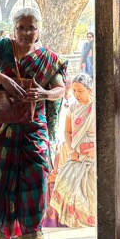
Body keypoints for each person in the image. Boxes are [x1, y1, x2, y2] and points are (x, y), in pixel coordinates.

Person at [0, 6, 66, 239]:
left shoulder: (49, 59)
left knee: (35, 181)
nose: (25, 33)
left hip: (34, 130)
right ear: (14, 29)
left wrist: (44, 93)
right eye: (21, 28)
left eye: (31, 27)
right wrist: (1, 78)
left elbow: (60, 90)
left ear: (38, 29)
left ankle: (34, 237)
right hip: (2, 126)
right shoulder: (4, 48)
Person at [43, 72, 97, 228]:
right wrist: (72, 149)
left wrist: (96, 149)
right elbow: (68, 132)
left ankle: (91, 223)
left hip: (93, 155)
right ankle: (77, 223)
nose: (77, 94)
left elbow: (106, 132)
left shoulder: (96, 108)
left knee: (90, 189)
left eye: (80, 90)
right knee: (65, 184)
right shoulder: (72, 108)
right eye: (74, 90)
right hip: (76, 154)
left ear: (90, 90)